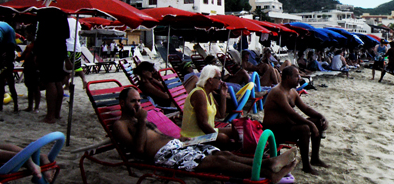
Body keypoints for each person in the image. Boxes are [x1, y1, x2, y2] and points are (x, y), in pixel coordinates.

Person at [110, 87, 296, 180]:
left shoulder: (141, 119)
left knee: (223, 153)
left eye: (138, 101)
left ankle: (268, 163)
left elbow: (160, 136)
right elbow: (138, 151)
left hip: (178, 145)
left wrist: (185, 140)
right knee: (218, 162)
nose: (138, 105)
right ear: (122, 103)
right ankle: (266, 173)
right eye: (133, 101)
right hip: (163, 156)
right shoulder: (120, 125)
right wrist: (143, 121)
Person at [264, 66, 328, 174]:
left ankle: (315, 159)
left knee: (317, 121)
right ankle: (306, 166)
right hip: (274, 130)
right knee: (305, 128)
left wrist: (321, 116)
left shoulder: (292, 91)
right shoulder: (278, 92)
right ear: (288, 77)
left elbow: (305, 108)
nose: (299, 78)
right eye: (296, 76)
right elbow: (292, 114)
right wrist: (311, 124)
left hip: (288, 126)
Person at [181, 66, 235, 149]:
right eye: (218, 78)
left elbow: (221, 115)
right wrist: (218, 137)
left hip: (205, 133)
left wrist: (223, 96)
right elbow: (203, 124)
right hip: (193, 137)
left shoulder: (208, 93)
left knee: (236, 130)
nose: (220, 81)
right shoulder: (199, 94)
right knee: (224, 138)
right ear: (210, 80)